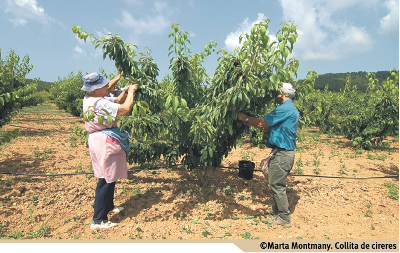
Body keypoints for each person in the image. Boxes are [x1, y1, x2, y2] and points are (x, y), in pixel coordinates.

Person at [81, 72, 138, 229]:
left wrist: (125, 90)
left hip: (100, 140)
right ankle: (98, 219)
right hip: (103, 141)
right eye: (104, 85)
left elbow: (118, 99)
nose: (108, 86)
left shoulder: (91, 99)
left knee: (109, 176)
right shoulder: (99, 103)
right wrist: (132, 92)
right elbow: (125, 108)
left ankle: (109, 206)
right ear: (96, 89)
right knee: (105, 179)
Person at [237, 82, 299, 226]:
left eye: (277, 92)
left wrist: (245, 118)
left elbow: (262, 123)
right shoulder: (290, 109)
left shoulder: (284, 108)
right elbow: (267, 126)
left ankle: (284, 217)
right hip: (282, 152)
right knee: (274, 181)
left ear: (283, 93)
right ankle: (278, 208)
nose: (275, 95)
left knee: (277, 184)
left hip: (283, 154)